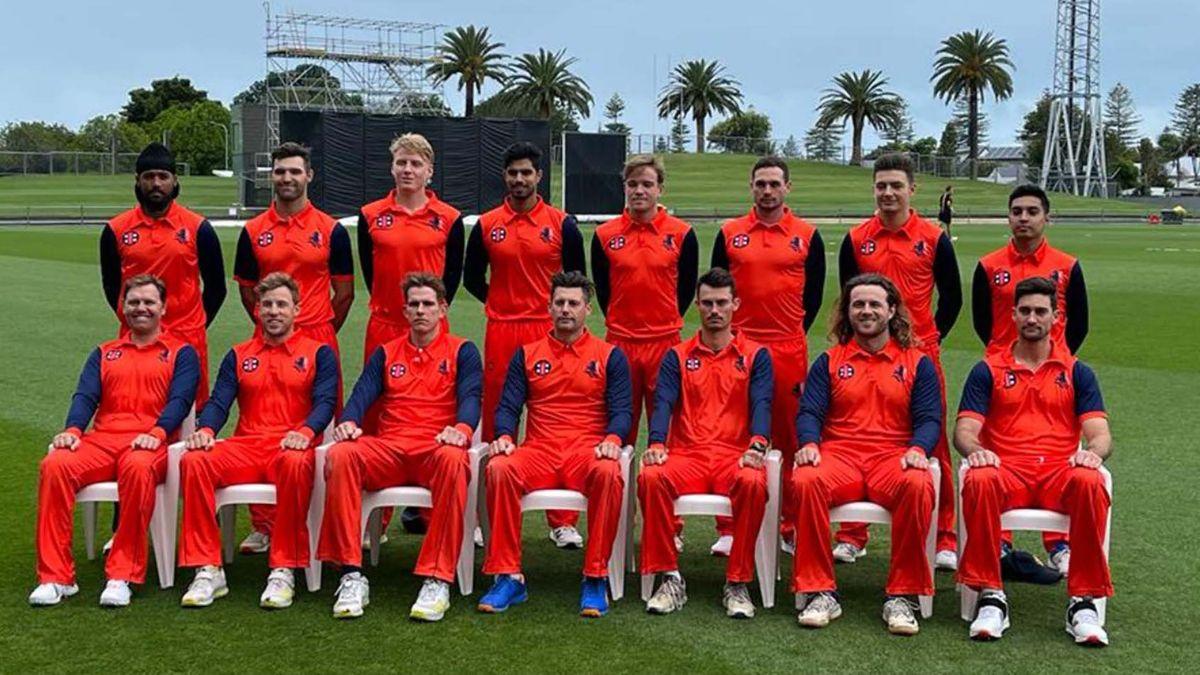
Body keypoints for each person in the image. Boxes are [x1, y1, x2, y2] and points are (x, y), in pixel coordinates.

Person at [955, 276, 1113, 646]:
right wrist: (975, 450)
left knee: (1091, 480)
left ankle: (1083, 602)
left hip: (1058, 473)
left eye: (1041, 311)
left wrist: (1092, 453)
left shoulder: (1077, 372)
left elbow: (1101, 434)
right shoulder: (987, 370)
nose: (1032, 318)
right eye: (1024, 310)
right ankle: (991, 594)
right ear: (1012, 314)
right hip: (1008, 471)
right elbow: (964, 430)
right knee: (978, 477)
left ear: (1056, 317)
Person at [317, 273, 482, 621]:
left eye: (428, 304)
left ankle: (437, 578)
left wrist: (462, 429)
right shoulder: (386, 352)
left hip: (434, 448)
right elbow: (362, 393)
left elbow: (472, 397)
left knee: (454, 460)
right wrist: (349, 420)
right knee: (341, 453)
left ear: (442, 308)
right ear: (405, 311)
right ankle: (350, 573)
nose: (421, 310)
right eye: (414, 305)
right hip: (390, 449)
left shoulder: (462, 350)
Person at [29, 274, 199, 607]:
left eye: (149, 302)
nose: (141, 308)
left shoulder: (181, 353)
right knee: (55, 464)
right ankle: (56, 577)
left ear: (163, 308)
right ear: (122, 307)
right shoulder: (105, 353)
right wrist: (73, 430)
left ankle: (122, 574)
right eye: (133, 302)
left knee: (137, 467)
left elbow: (181, 400)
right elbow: (85, 396)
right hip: (103, 441)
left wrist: (157, 432)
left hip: (152, 444)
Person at [176, 273, 338, 609]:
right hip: (247, 447)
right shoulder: (239, 354)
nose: (274, 311)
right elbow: (219, 402)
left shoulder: (319, 353)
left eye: (281, 305)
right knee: (194, 459)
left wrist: (307, 432)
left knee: (295, 463)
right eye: (267, 305)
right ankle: (208, 568)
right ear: (257, 310)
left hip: (291, 446)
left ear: (297, 310)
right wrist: (207, 430)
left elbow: (326, 402)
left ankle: (283, 568)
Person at [790, 273, 940, 635]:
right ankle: (819, 591)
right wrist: (809, 443)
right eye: (858, 304)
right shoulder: (829, 361)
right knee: (805, 479)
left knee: (918, 484)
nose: (866, 310)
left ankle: (901, 596)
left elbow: (930, 418)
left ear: (891, 311)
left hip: (892, 457)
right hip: (840, 456)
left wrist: (918, 449)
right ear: (847, 312)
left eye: (875, 304)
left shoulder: (917, 362)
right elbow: (809, 412)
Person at [477, 271, 632, 618]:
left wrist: (612, 439)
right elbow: (508, 407)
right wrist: (505, 436)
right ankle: (508, 576)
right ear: (548, 307)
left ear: (587, 309)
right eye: (559, 302)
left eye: (573, 303)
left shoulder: (610, 355)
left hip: (586, 451)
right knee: (500, 467)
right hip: (540, 450)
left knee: (609, 472)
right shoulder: (527, 354)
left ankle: (595, 576)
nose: (565, 309)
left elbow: (622, 411)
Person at [838, 153, 961, 569]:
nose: (888, 193)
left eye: (896, 186)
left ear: (912, 189)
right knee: (855, 435)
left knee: (934, 443)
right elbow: (848, 298)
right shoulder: (856, 239)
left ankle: (944, 536)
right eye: (881, 186)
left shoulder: (933, 238)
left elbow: (952, 297)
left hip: (921, 356)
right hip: (866, 356)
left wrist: (928, 338)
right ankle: (852, 534)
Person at [233, 142, 354, 554]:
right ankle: (265, 524)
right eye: (280, 171)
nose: (287, 178)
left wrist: (319, 332)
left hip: (318, 337)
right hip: (267, 340)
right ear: (273, 176)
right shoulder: (253, 231)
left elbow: (344, 292)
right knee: (259, 425)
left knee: (323, 428)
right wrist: (269, 326)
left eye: (295, 171)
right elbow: (248, 291)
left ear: (309, 175)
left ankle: (323, 520)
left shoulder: (331, 230)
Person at [465, 142, 586, 548]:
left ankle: (562, 520)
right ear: (505, 176)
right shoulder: (487, 224)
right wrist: (502, 303)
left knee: (557, 419)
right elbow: (471, 277)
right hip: (502, 329)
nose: (519, 179)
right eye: (513, 173)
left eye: (526, 173)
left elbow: (576, 280)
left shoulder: (561, 224)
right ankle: (487, 515)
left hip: (548, 330)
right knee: (498, 418)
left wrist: (547, 310)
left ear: (539, 177)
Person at [638, 268, 773, 618]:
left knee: (753, 482)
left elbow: (762, 403)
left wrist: (758, 445)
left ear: (736, 304)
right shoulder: (678, 355)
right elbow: (663, 403)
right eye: (708, 303)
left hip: (734, 456)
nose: (715, 310)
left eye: (722, 303)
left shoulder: (756, 355)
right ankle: (669, 577)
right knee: (651, 476)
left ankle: (737, 582)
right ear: (696, 305)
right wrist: (656, 443)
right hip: (689, 456)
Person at [972, 184, 1090, 572]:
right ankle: (999, 542)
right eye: (1017, 211)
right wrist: (1001, 357)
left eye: (1032, 211)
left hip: (1055, 372)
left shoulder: (1067, 265)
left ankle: (1059, 543)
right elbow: (981, 320)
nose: (1024, 218)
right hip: (1001, 372)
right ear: (1009, 217)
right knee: (996, 452)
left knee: (1059, 451)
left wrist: (1056, 357)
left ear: (1046, 217)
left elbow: (1080, 323)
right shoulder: (989, 265)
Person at [711, 155, 824, 556]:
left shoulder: (807, 235)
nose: (767, 191)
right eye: (760, 183)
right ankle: (730, 526)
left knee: (790, 436)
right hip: (738, 346)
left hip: (787, 347)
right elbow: (718, 288)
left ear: (787, 188)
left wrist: (790, 331)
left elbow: (813, 296)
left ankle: (789, 525)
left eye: (775, 184)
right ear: (751, 187)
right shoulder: (731, 233)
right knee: (732, 433)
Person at [357, 133, 465, 538]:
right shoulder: (371, 215)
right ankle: (376, 519)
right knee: (377, 414)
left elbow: (451, 278)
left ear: (429, 171)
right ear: (392, 166)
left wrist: (428, 315)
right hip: (385, 325)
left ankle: (431, 515)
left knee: (437, 413)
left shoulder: (449, 218)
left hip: (433, 328)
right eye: (401, 162)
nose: (407, 170)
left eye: (416, 163)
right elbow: (371, 274)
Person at [592, 154, 698, 552]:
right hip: (619, 344)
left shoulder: (681, 234)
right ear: (625, 187)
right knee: (616, 433)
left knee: (665, 435)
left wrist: (661, 325)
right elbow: (603, 291)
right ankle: (617, 520)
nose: (639, 191)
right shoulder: (605, 235)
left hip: (665, 345)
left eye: (647, 184)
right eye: (633, 184)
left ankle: (669, 524)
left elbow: (685, 290)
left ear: (660, 189)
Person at [100, 142, 225, 405]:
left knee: (190, 413)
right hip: (136, 339)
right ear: (137, 180)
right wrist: (137, 319)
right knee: (138, 407)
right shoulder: (116, 230)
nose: (156, 183)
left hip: (187, 338)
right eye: (149, 177)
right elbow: (111, 287)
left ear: (175, 180)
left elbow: (216, 288)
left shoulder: (198, 228)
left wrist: (194, 324)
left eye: (163, 176)